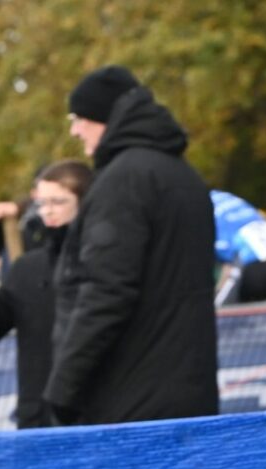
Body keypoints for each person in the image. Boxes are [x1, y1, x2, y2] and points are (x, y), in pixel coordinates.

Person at [47, 65, 217, 425]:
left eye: (79, 119)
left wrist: (63, 387)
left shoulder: (122, 181)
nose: (75, 130)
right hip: (191, 386)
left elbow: (107, 291)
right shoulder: (185, 175)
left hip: (132, 396)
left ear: (103, 116)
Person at [0, 160, 92, 428]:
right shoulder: (28, 267)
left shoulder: (104, 263)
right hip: (38, 413)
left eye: (58, 202)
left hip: (95, 411)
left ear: (84, 202)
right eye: (42, 203)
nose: (48, 211)